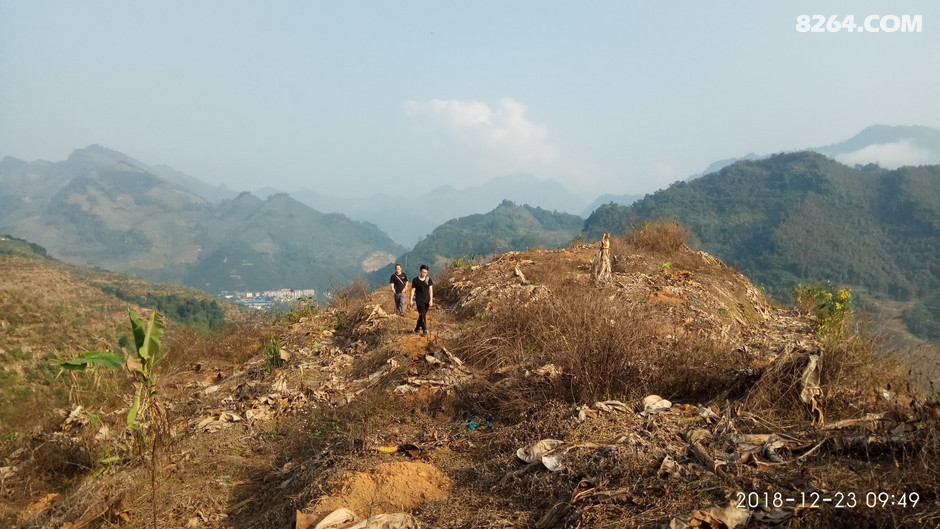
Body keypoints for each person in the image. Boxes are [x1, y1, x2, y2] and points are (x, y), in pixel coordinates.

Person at [410, 264, 433, 336]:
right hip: (419, 300)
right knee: (422, 314)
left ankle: (417, 328)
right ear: (420, 271)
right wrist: (411, 300)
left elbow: (430, 290)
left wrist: (431, 300)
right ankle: (424, 330)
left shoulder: (429, 280)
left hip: (427, 300)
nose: (424, 274)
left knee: (422, 315)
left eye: (425, 272)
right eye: (423, 272)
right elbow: (413, 290)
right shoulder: (415, 280)